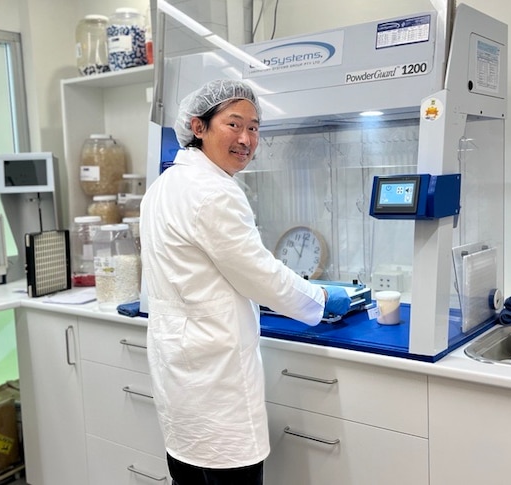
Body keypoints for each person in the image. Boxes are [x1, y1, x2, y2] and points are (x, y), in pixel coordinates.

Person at [139, 79, 352, 485]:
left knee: (188, 473)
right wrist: (321, 299)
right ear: (198, 127)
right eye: (234, 125)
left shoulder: (163, 186)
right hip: (216, 380)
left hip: (178, 373)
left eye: (254, 128)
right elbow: (261, 276)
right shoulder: (214, 192)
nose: (246, 139)